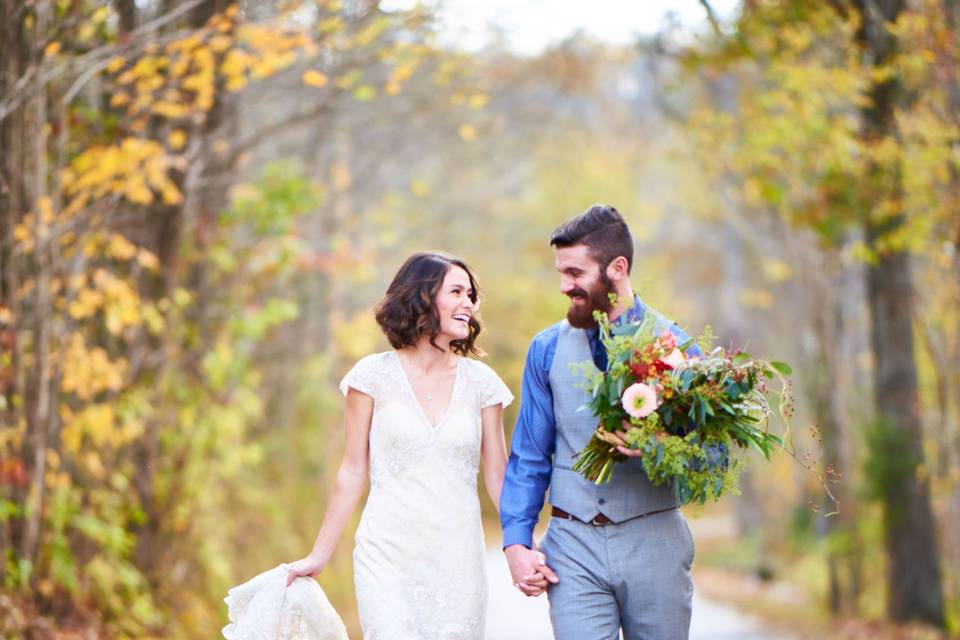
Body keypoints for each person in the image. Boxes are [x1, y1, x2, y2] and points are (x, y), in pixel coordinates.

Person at [285, 252, 513, 640]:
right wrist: (319, 555)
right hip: (386, 554)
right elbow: (352, 469)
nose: (469, 304)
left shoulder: (483, 384)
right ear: (424, 296)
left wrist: (520, 545)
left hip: (458, 558)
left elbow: (498, 476)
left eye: (471, 295)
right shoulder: (370, 377)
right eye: (457, 291)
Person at [500, 205, 701, 640]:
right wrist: (516, 540)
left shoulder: (677, 349)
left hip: (656, 542)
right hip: (572, 546)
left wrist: (658, 447)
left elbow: (713, 454)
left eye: (575, 273)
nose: (564, 286)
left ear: (617, 268)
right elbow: (530, 455)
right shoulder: (545, 349)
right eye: (560, 272)